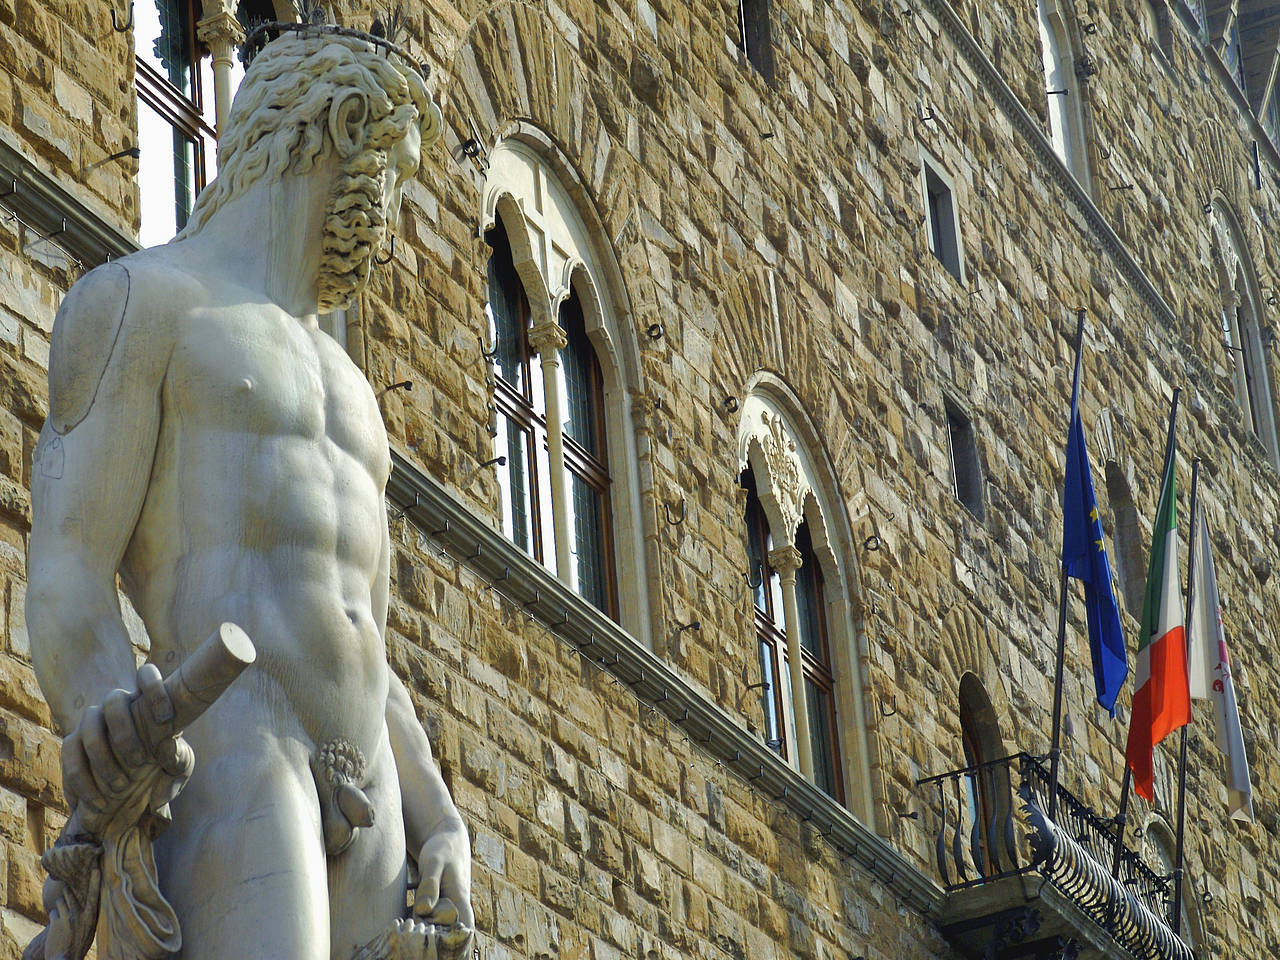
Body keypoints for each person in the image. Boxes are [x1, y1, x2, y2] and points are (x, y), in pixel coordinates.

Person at [25, 26, 471, 960]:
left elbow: (365, 632)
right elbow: (69, 571)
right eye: (391, 176)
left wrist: (439, 817)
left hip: (374, 791)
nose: (387, 223)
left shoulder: (350, 387)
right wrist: (115, 735)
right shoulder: (144, 302)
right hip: (235, 755)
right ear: (347, 126)